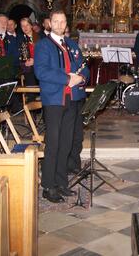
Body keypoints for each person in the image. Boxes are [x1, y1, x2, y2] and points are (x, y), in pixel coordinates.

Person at [34, 10, 89, 203]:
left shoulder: (72, 45)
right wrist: (67, 79)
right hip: (55, 100)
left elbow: (84, 67)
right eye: (55, 21)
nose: (59, 24)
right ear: (49, 23)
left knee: (67, 143)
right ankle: (48, 186)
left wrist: (80, 78)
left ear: (66, 24)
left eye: (62, 21)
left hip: (72, 99)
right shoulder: (43, 45)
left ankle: (61, 183)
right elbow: (41, 71)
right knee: (54, 144)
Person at [19, 17, 40, 87]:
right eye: (23, 26)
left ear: (31, 26)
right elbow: (18, 57)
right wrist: (25, 63)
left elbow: (45, 54)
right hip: (28, 70)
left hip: (41, 67)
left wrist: (35, 61)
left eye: (27, 25)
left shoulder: (40, 37)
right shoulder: (19, 40)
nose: (25, 27)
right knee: (30, 92)